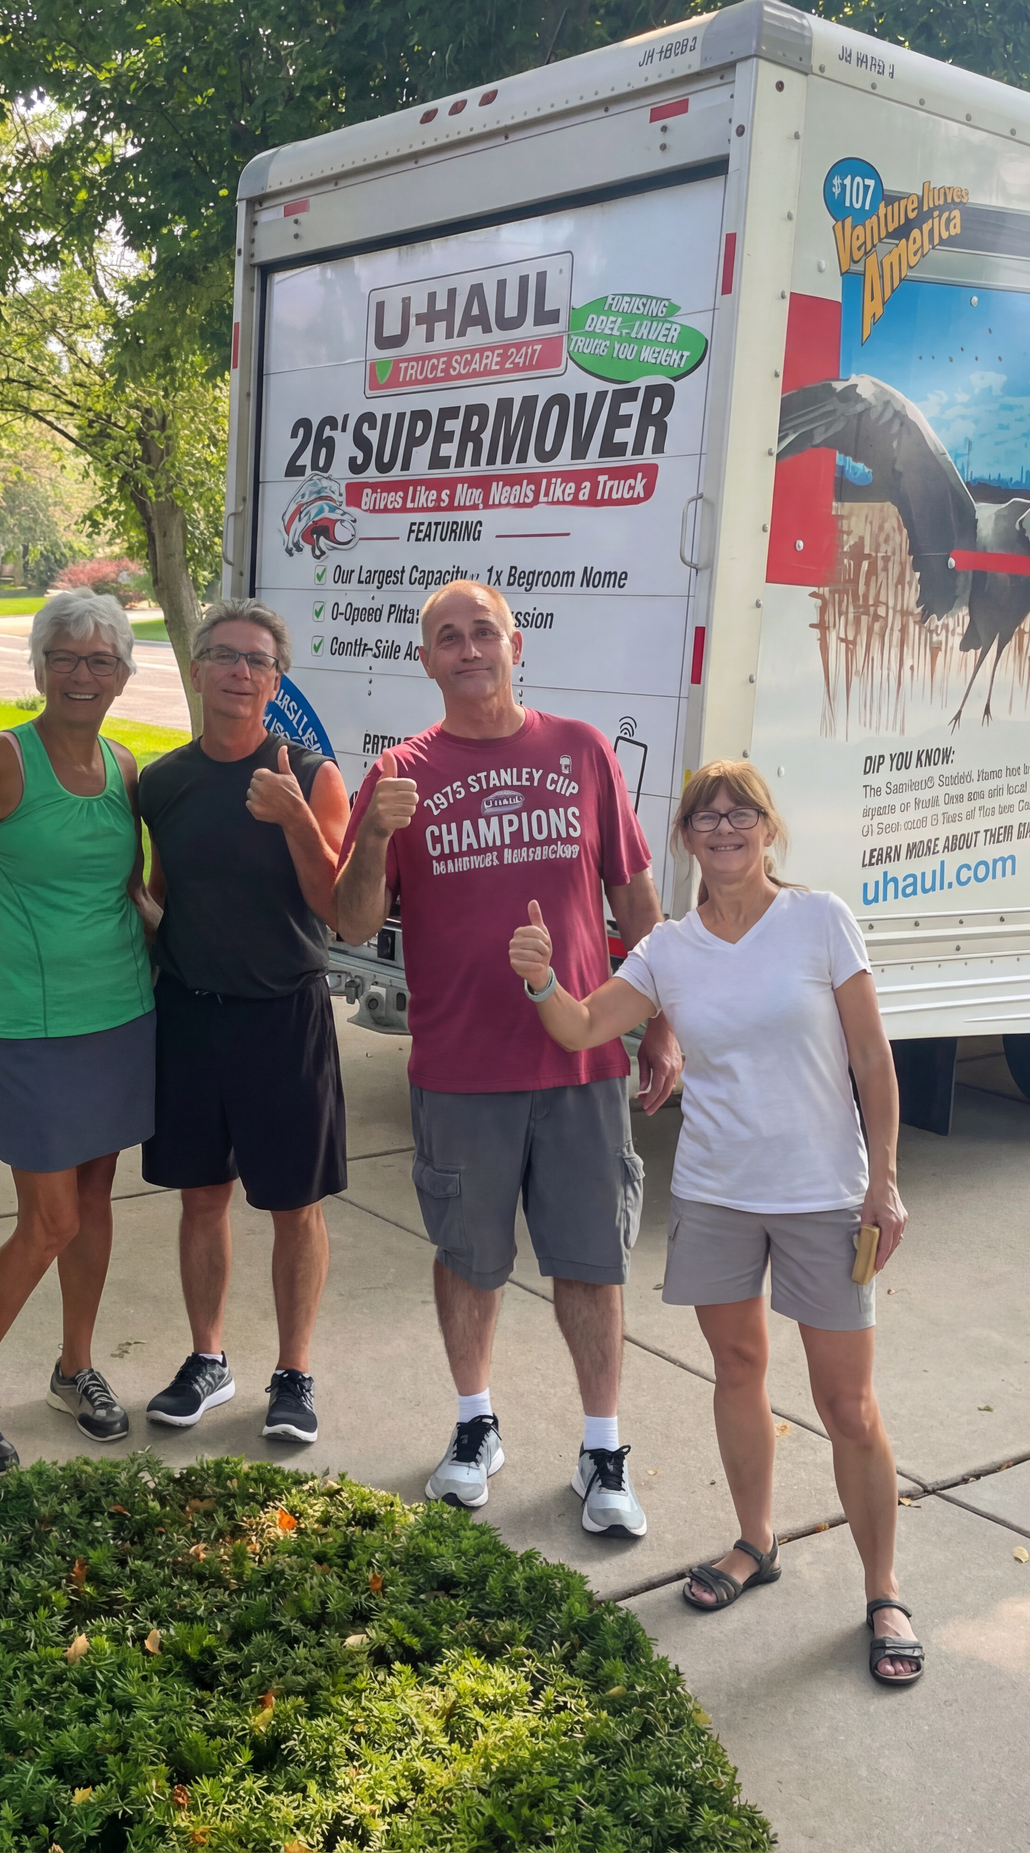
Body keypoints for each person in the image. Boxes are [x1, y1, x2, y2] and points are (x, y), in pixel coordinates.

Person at [507, 758, 923, 1683]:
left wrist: (882, 1182)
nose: (725, 829)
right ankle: (754, 1542)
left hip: (822, 1197)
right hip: (715, 1192)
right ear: (686, 837)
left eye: (741, 815)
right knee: (737, 1370)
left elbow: (871, 1058)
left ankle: (883, 1589)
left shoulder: (820, 921)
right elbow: (581, 1030)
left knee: (846, 1404)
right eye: (706, 817)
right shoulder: (668, 949)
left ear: (768, 829)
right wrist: (539, 981)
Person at [333, 578, 683, 1538]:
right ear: (428, 661)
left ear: (515, 644)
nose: (468, 648)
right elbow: (354, 919)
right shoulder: (399, 773)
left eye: (482, 631)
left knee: (591, 1260)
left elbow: (635, 895)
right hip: (458, 1067)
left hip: (580, 1065)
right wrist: (372, 833)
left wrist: (660, 1019)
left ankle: (603, 1447)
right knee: (469, 1258)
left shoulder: (580, 752)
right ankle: (473, 1425)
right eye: (447, 637)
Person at [0, 588, 157, 1477]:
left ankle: (74, 1369)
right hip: (35, 1025)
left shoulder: (128, 768)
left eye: (101, 660)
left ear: (125, 676)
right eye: (66, 657)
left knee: (92, 1206)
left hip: (123, 1015)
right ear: (40, 666)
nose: (83, 674)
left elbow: (130, 890)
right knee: (47, 1220)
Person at [138, 599, 350, 1445]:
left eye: (257, 661)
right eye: (223, 656)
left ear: (275, 680)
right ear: (196, 669)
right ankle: (208, 1361)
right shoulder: (163, 781)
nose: (239, 671)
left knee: (295, 1206)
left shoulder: (311, 772)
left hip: (283, 1018)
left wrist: (294, 812)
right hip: (190, 1016)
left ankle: (294, 1374)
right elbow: (161, 890)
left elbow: (334, 903)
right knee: (201, 1199)